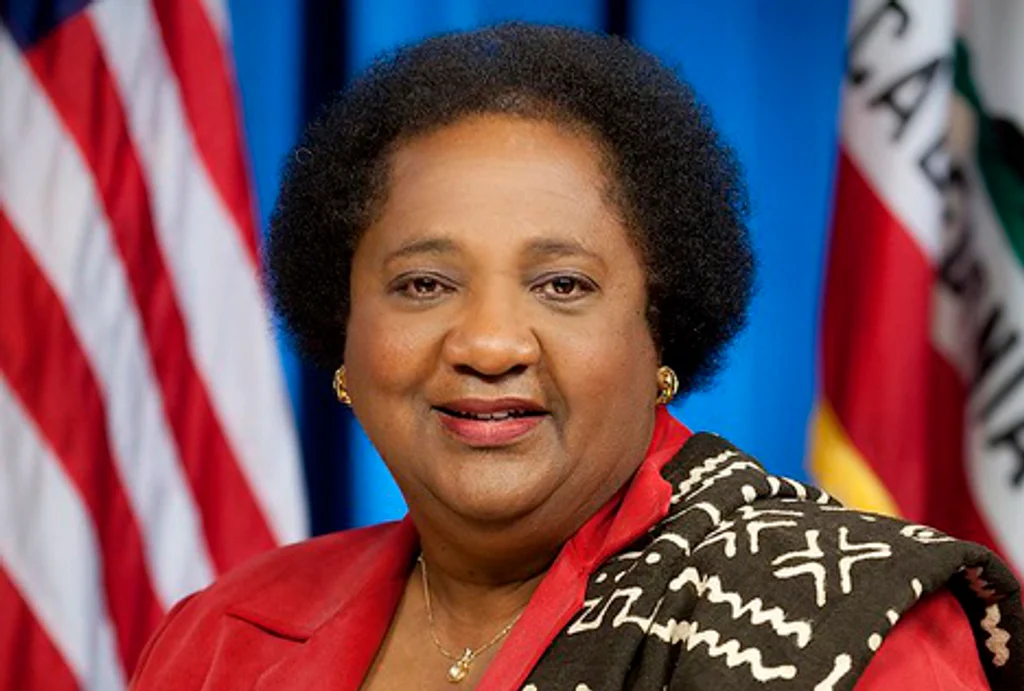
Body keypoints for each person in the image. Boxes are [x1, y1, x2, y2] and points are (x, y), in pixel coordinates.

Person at [130, 23, 1023, 690]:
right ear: (343, 334)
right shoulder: (223, 634)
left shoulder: (847, 635)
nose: (488, 344)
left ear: (660, 329)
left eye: (562, 284)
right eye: (423, 284)